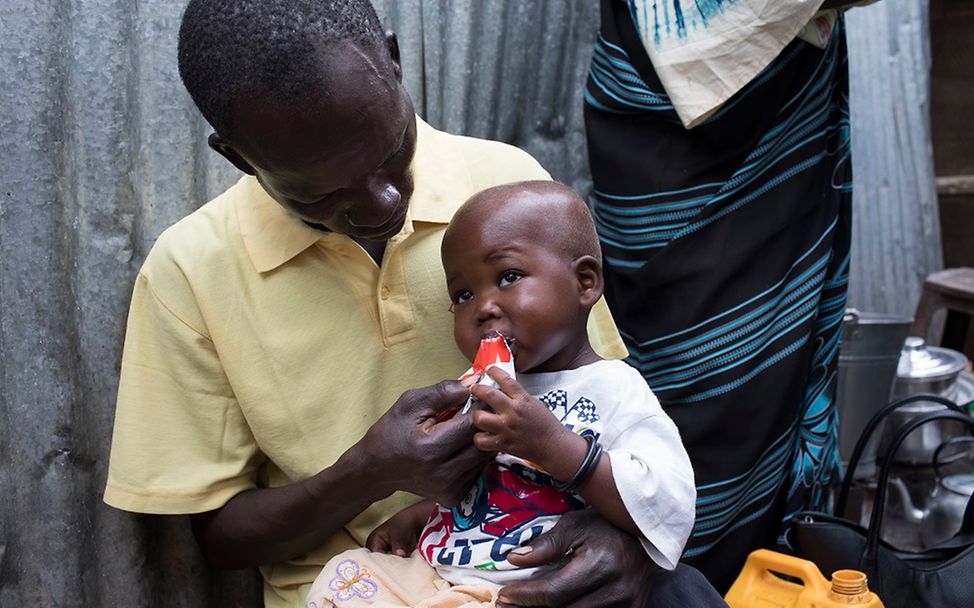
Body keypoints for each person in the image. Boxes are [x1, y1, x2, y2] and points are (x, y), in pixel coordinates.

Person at [103, 1, 726, 607]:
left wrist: (627, 544)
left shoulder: (507, 192)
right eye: (320, 195)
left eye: (391, 151)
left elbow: (604, 410)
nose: (382, 205)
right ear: (238, 157)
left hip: (538, 563)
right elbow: (220, 541)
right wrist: (370, 472)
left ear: (394, 62)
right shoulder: (188, 274)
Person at [583, 0, 870, 592]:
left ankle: (767, 581)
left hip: (777, 92)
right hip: (651, 101)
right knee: (668, 362)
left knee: (772, 356)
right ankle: (672, 573)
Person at [304, 181, 696, 607]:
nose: (483, 307)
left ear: (585, 283)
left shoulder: (615, 389)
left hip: (525, 587)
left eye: (508, 277)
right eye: (463, 294)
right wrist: (418, 517)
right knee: (345, 576)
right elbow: (484, 490)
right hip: (440, 574)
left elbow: (668, 505)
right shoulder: (481, 385)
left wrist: (552, 446)